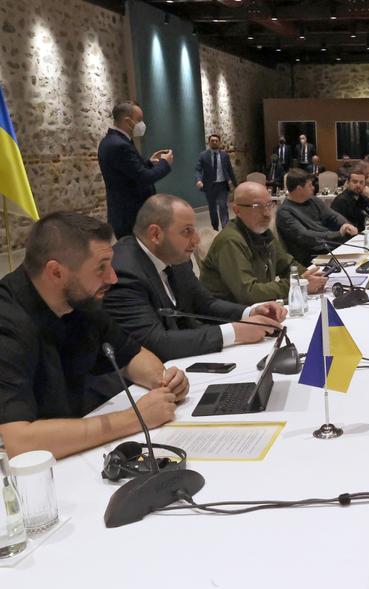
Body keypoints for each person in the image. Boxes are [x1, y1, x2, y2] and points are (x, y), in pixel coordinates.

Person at [0, 212, 189, 459]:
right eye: (101, 267)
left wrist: (164, 382)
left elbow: (131, 354)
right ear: (56, 272)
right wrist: (135, 418)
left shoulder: (81, 300)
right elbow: (20, 442)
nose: (113, 277)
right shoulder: (8, 324)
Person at [103, 194, 285, 362]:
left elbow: (205, 304)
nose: (196, 240)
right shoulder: (123, 273)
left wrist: (250, 313)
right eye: (187, 231)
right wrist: (236, 331)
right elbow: (155, 342)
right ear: (155, 234)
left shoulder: (175, 256)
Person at [200, 182, 326, 305]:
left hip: (257, 307)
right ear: (237, 210)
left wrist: (310, 276)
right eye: (257, 207)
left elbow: (287, 265)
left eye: (269, 205)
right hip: (230, 314)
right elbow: (249, 293)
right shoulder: (230, 241)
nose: (266, 214)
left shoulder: (262, 233)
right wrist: (297, 284)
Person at [98, 100, 173, 239]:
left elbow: (130, 171)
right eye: (139, 120)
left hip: (127, 213)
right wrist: (165, 163)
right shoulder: (119, 145)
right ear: (128, 121)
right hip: (130, 215)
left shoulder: (116, 141)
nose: (142, 124)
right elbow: (143, 178)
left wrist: (150, 163)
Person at [276, 168, 358, 266]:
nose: (313, 188)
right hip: (311, 256)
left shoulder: (313, 200)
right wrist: (338, 234)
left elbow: (333, 216)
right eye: (310, 185)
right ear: (299, 189)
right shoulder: (285, 213)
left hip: (327, 246)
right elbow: (306, 236)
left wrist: (346, 225)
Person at [195, 134, 237, 231]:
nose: (214, 142)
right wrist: (199, 180)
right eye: (212, 141)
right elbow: (198, 169)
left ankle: (225, 229)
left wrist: (236, 185)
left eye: (216, 141)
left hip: (222, 185)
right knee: (212, 208)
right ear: (209, 143)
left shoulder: (225, 155)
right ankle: (215, 228)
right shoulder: (203, 155)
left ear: (219, 142)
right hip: (209, 186)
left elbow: (230, 170)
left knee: (223, 206)